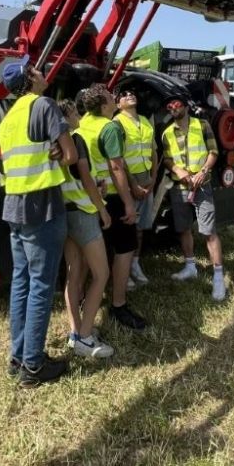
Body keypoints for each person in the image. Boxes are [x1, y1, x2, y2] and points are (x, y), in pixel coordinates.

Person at [0, 56, 77, 387]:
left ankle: (18, 358)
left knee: (21, 282)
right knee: (41, 285)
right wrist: (60, 147)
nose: (44, 72)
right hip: (41, 206)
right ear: (31, 77)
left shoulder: (8, 117)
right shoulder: (43, 105)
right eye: (37, 69)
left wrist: (51, 149)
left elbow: (5, 155)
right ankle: (33, 366)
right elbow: (71, 155)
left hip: (13, 206)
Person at [78, 83, 148, 330]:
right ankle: (118, 304)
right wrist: (129, 203)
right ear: (105, 104)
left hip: (87, 198)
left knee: (89, 253)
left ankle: (82, 298)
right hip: (112, 198)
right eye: (111, 96)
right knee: (125, 247)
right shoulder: (109, 128)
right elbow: (116, 167)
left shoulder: (83, 122)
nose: (115, 97)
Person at [57, 98, 115, 358]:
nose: (78, 115)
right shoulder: (75, 139)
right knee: (101, 274)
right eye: (74, 111)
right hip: (83, 213)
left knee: (73, 272)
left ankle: (74, 332)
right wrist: (102, 208)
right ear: (67, 115)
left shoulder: (53, 144)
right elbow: (85, 178)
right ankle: (86, 336)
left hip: (65, 213)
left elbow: (74, 179)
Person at [160, 92, 226, 302]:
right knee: (183, 227)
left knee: (209, 230)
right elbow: (168, 160)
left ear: (186, 107)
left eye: (176, 104)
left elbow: (213, 152)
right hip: (180, 187)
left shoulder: (202, 125)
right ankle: (190, 266)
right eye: (169, 106)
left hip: (202, 185)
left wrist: (203, 172)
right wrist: (178, 171)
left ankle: (218, 276)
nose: (172, 108)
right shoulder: (167, 133)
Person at [114, 88, 160, 287]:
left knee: (140, 228)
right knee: (127, 227)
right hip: (128, 180)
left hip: (146, 180)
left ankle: (135, 264)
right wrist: (133, 185)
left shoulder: (145, 121)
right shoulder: (117, 123)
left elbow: (153, 152)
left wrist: (153, 179)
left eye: (132, 93)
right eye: (123, 95)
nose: (129, 95)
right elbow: (119, 159)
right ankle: (123, 271)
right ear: (118, 104)